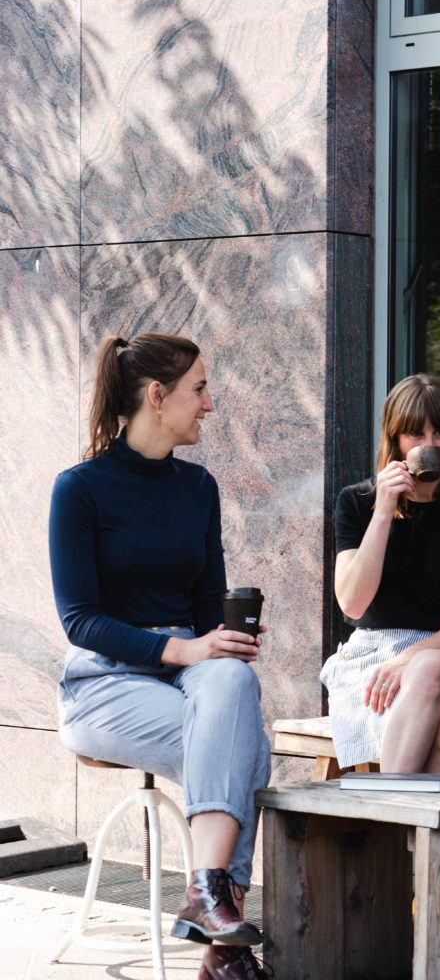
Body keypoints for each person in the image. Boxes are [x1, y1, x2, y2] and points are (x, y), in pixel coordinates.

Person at [48, 334, 272, 980]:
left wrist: (224, 641)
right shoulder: (80, 490)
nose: (211, 403)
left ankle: (206, 895)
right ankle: (224, 948)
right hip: (101, 686)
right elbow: (79, 620)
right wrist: (186, 647)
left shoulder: (199, 489)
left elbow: (207, 610)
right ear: (157, 397)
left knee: (232, 683)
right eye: (199, 389)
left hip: (185, 680)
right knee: (245, 745)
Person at [320, 374, 440, 777]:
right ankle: (420, 839)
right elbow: (352, 602)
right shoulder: (358, 502)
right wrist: (384, 509)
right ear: (395, 439)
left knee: (429, 668)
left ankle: (388, 804)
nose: (430, 444)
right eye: (414, 434)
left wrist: (410, 660)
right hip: (373, 656)